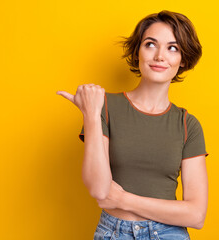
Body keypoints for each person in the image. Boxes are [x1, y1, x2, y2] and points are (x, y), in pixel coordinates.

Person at [57, 10, 209, 240]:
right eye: (150, 44)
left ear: (183, 59)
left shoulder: (188, 124)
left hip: (168, 234)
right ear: (137, 51)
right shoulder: (104, 106)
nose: (160, 56)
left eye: (172, 48)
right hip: (113, 233)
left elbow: (196, 215)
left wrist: (123, 200)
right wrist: (90, 114)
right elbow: (98, 189)